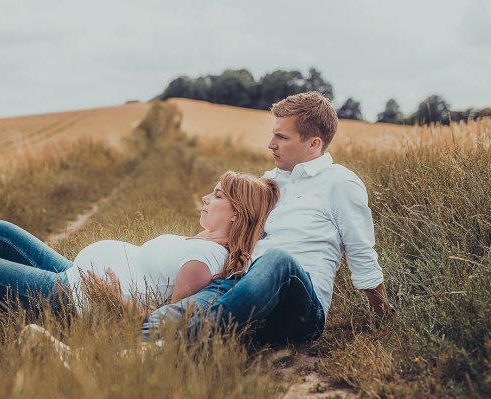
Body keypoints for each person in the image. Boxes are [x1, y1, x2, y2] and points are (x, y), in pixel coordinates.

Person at [0, 171, 279, 361]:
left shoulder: (205, 261)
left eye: (217, 195)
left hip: (79, 302)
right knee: (0, 232)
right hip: (74, 279)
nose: (206, 197)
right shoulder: (200, 241)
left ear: (236, 214)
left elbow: (159, 327)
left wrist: (114, 299)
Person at [142, 91, 391, 347]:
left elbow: (361, 252)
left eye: (281, 137)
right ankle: (144, 349)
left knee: (277, 260)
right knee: (172, 314)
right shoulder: (268, 181)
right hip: (242, 286)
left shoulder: (339, 183)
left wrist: (382, 317)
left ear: (314, 144)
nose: (271, 143)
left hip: (298, 308)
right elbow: (235, 229)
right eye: (274, 134)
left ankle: (177, 345)